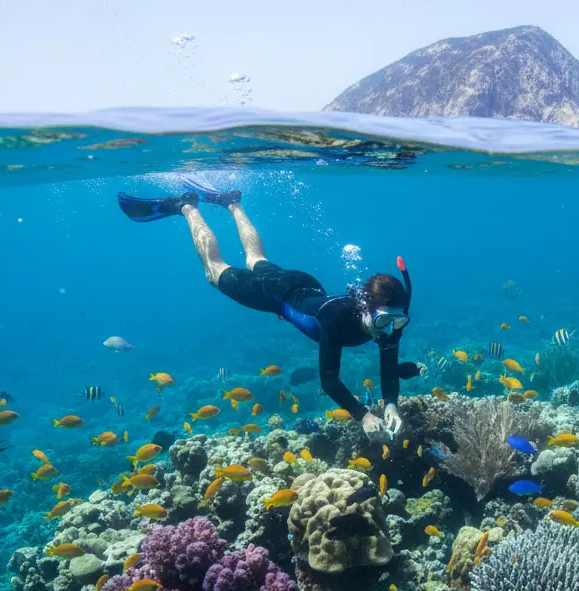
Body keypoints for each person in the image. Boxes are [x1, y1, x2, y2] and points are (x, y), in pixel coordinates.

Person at [117, 178, 418, 438]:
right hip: (276, 294)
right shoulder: (337, 319)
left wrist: (390, 402)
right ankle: (186, 206)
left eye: (396, 322)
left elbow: (389, 367)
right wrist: (362, 414)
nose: (389, 331)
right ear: (365, 308)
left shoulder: (389, 320)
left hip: (305, 283)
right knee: (214, 270)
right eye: (382, 322)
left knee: (255, 258)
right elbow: (329, 379)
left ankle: (232, 203)